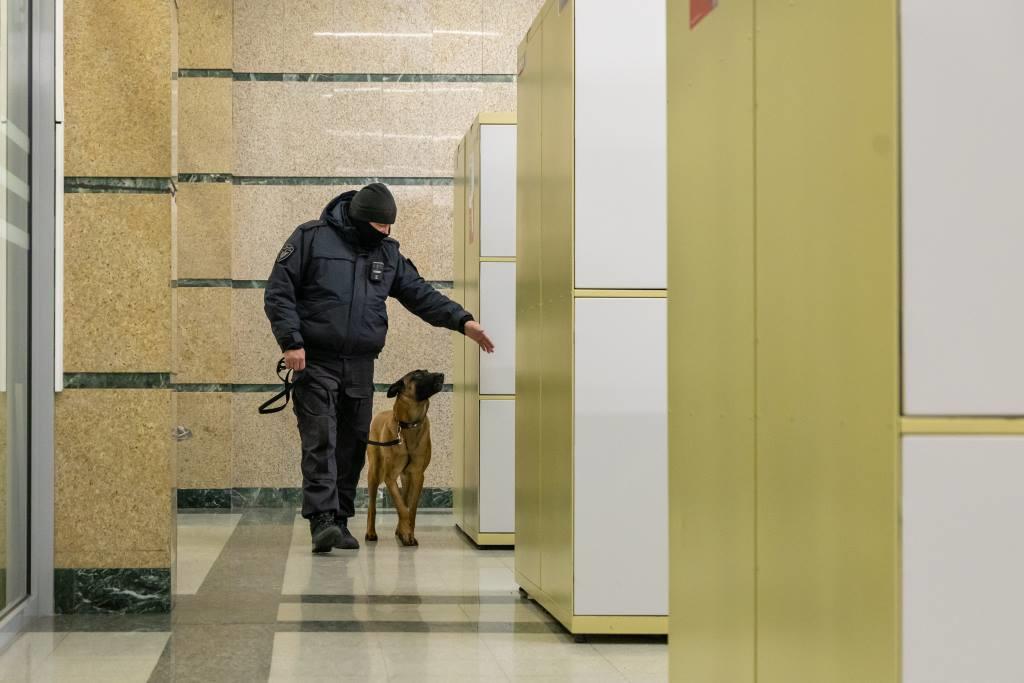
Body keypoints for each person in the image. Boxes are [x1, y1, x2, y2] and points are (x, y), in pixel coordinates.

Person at [264, 183, 494, 553]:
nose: (385, 233)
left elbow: (420, 294)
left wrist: (462, 321)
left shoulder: (387, 253)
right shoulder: (311, 238)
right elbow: (279, 291)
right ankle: (322, 519)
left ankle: (340, 520)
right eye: (379, 227)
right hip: (316, 360)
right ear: (359, 220)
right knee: (321, 438)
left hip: (360, 364)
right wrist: (291, 341)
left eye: (389, 228)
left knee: (353, 444)